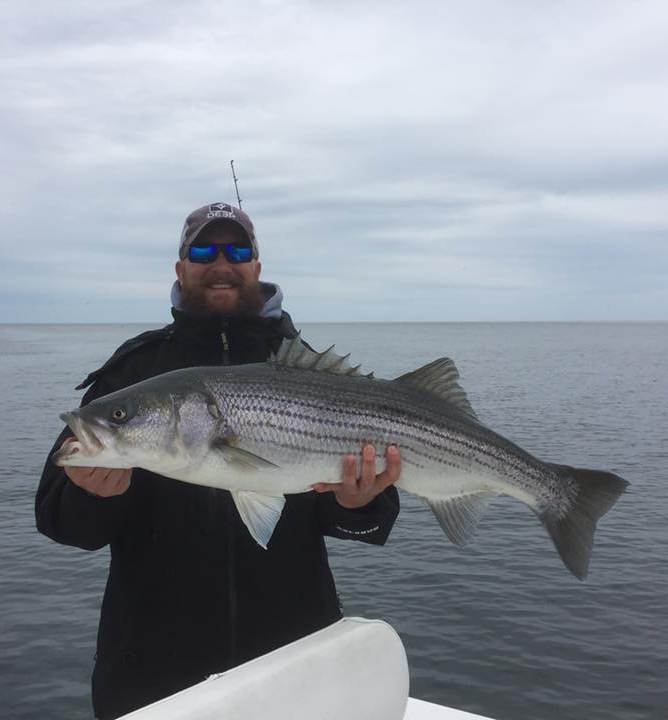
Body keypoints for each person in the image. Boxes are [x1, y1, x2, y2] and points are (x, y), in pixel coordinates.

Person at [35, 202, 401, 720]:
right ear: (181, 268)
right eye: (204, 250)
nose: (221, 262)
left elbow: (371, 515)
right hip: (154, 671)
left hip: (294, 659)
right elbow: (57, 520)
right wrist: (90, 498)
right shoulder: (132, 378)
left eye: (238, 250)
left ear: (257, 265)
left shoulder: (311, 373)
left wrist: (357, 506)